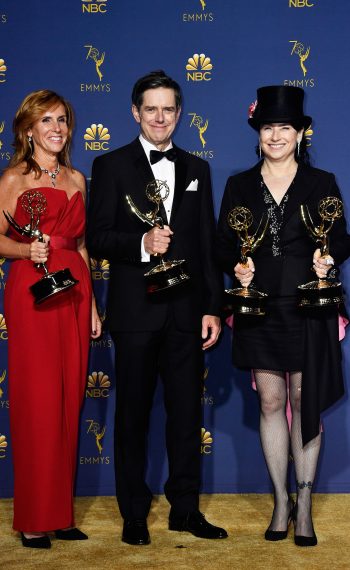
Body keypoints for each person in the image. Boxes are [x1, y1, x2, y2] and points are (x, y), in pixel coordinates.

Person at [87, 70, 227, 545]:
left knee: (187, 416)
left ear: (179, 113)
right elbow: (98, 237)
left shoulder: (197, 169)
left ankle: (185, 509)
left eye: (169, 108)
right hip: (134, 314)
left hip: (187, 313)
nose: (161, 117)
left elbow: (206, 244)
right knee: (132, 416)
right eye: (151, 108)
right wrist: (143, 244)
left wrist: (212, 306)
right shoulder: (109, 166)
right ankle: (133, 512)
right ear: (135, 112)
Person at [217, 85, 350, 547]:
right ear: (258, 133)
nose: (276, 136)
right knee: (271, 403)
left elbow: (342, 238)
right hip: (258, 308)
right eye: (268, 127)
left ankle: (306, 503)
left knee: (304, 401)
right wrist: (236, 264)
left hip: (308, 308)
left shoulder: (322, 183)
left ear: (301, 134)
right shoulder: (238, 185)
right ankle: (280, 501)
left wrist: (327, 261)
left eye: (285, 128)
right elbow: (222, 243)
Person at [0, 90, 102, 548]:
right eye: (46, 120)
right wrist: (25, 249)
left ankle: (60, 514)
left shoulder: (79, 179)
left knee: (67, 401)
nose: (57, 128)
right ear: (28, 130)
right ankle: (34, 517)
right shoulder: (14, 179)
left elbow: (80, 245)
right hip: (32, 293)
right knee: (37, 401)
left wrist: (95, 304)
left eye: (62, 119)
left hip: (75, 292)